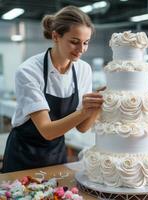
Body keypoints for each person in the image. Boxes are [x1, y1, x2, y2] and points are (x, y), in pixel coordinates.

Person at [2, 6, 104, 173]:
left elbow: (83, 127)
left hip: (56, 153)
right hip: (24, 154)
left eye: (86, 43)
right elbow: (47, 131)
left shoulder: (83, 69)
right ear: (56, 36)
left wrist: (97, 105)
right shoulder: (29, 71)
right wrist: (85, 110)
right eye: (74, 42)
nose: (81, 49)